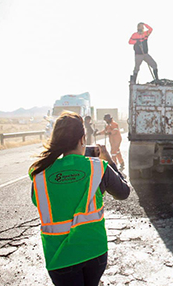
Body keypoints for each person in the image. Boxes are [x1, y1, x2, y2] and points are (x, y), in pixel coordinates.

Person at [28, 111, 131, 286]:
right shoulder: (98, 168)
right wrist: (108, 160)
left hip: (59, 257)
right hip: (94, 252)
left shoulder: (40, 174)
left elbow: (38, 201)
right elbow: (123, 193)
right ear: (82, 139)